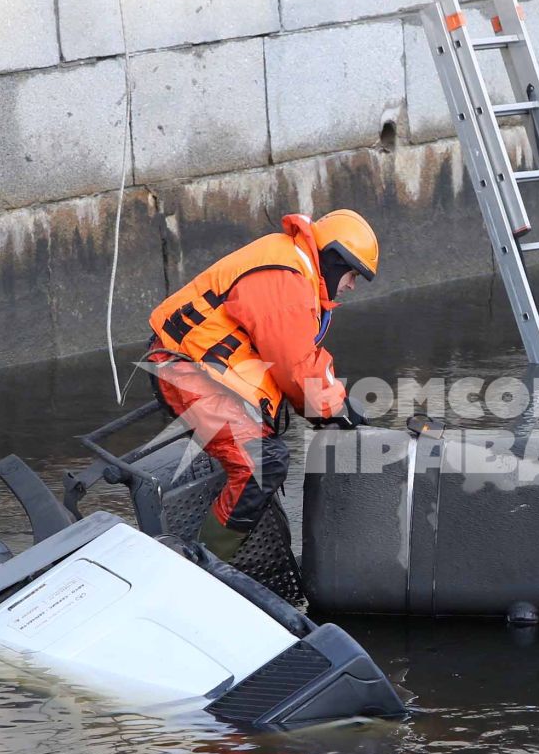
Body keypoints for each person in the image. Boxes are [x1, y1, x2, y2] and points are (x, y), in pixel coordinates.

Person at [144, 211, 378, 562]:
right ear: (333, 259)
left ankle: (212, 555)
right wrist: (334, 408)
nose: (350, 285)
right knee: (262, 464)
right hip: (183, 368)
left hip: (192, 365)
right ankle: (203, 567)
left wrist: (332, 405)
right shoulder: (287, 278)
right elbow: (295, 365)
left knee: (264, 458)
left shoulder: (290, 265)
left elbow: (297, 360)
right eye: (352, 274)